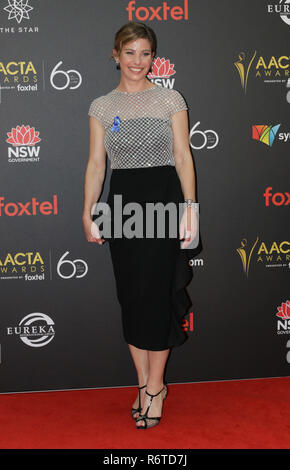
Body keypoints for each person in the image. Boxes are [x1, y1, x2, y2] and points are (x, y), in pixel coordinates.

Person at [82, 21, 198, 430]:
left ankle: (155, 386)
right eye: (129, 52)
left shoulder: (170, 99)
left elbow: (183, 156)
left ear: (154, 57)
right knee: (132, 296)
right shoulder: (102, 106)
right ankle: (142, 384)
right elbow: (98, 164)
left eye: (145, 53)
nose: (137, 61)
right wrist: (88, 210)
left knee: (158, 294)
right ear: (116, 55)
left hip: (165, 200)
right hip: (123, 205)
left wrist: (190, 208)